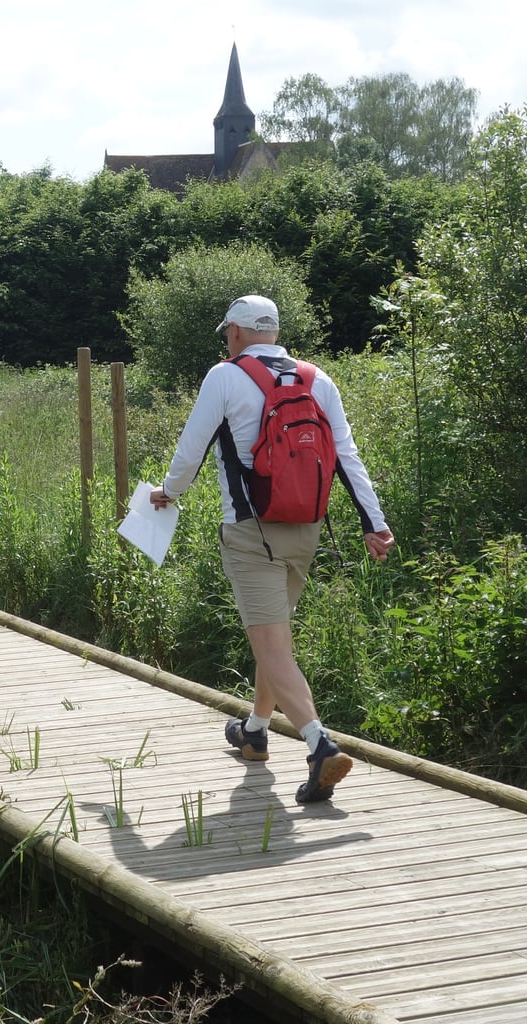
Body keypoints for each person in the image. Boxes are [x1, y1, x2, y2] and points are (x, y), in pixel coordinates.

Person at [150, 294, 393, 805]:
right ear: (275, 332)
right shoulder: (317, 379)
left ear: (235, 332)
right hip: (306, 527)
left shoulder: (224, 376)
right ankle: (256, 731)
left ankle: (319, 745)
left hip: (250, 530)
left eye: (227, 334)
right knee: (275, 639)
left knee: (271, 646)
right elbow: (346, 457)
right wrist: (375, 523)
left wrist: (169, 493)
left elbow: (191, 449)